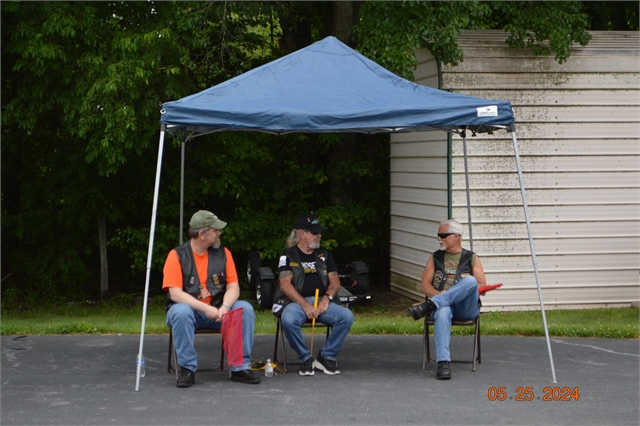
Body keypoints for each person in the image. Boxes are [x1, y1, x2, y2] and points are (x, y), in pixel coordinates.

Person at [163, 210, 261, 387]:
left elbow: (233, 287)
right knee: (180, 312)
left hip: (218, 309)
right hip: (190, 313)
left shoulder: (224, 253)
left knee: (245, 308)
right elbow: (175, 294)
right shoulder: (176, 255)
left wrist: (224, 306)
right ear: (202, 234)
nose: (219, 233)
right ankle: (187, 369)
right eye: (216, 230)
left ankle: (240, 367)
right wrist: (206, 309)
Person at [274, 214, 355, 376]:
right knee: (288, 320)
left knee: (346, 316)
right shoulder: (288, 255)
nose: (319, 235)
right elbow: (285, 284)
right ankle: (305, 358)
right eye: (314, 232)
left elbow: (335, 282)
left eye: (319, 232)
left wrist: (326, 300)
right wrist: (305, 305)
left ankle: (326, 357)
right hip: (295, 303)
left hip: (322, 301)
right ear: (302, 234)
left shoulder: (325, 254)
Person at [407, 219, 486, 380]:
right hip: (444, 306)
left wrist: (446, 296)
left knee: (470, 281)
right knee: (442, 310)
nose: (439, 239)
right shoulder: (435, 257)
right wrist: (438, 296)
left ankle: (429, 306)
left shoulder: (471, 258)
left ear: (456, 236)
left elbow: (482, 286)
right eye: (438, 235)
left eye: (443, 235)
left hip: (465, 308)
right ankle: (443, 363)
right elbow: (424, 284)